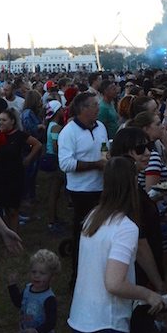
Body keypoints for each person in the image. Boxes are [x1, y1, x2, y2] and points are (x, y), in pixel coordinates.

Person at [68, 157, 167, 333]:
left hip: (81, 318)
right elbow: (114, 284)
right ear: (133, 182)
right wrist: (149, 294)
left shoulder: (93, 216)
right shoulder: (125, 227)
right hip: (106, 324)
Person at [110, 127, 167, 333]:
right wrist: (159, 286)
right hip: (137, 277)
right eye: (140, 149)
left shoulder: (132, 187)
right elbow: (140, 245)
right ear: (125, 154)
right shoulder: (130, 196)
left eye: (149, 147)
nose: (148, 153)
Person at [57, 92, 108, 286]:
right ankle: (77, 278)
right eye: (94, 105)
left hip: (102, 188)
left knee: (102, 233)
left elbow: (104, 149)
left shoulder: (100, 127)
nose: (98, 108)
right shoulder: (69, 132)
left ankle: (100, 274)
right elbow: (66, 164)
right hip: (81, 192)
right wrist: (96, 165)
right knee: (83, 234)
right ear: (82, 109)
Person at [0, 108, 43, 233]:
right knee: (4, 207)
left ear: (12, 121)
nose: (1, 122)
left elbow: (37, 144)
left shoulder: (19, 135)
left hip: (15, 174)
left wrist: (28, 159)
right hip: (0, 174)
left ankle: (14, 234)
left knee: (13, 208)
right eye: (0, 120)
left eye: (4, 120)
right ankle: (7, 232)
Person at [8, 249, 61, 333]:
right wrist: (12, 285)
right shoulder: (28, 288)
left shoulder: (49, 298)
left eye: (42, 273)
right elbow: (18, 303)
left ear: (52, 277)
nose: (37, 276)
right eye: (34, 272)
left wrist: (37, 332)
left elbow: (51, 322)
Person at [42, 100, 66, 233]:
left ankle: (54, 218)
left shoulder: (50, 125)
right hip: (55, 161)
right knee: (54, 193)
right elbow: (56, 147)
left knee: (54, 193)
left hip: (52, 160)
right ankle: (51, 223)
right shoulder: (56, 127)